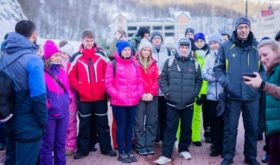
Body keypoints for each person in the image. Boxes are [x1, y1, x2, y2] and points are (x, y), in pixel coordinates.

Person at [214, 17, 265, 165]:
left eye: (246, 27)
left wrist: (260, 82)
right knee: (230, 129)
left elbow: (265, 69)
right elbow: (218, 68)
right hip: (233, 95)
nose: (243, 30)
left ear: (249, 29)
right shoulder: (226, 46)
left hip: (253, 96)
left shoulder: (258, 46)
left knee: (252, 129)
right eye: (240, 27)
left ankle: (250, 156)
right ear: (236, 28)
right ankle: (228, 156)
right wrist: (227, 82)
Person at [0, 20, 47, 165]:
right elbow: (38, 96)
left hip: (8, 117)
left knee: (11, 159)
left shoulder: (3, 55)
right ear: (33, 35)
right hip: (28, 122)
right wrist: (42, 122)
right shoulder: (33, 59)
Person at [154, 37, 202, 165]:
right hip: (172, 103)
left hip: (188, 103)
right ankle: (166, 154)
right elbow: (162, 78)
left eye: (186, 47)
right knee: (170, 129)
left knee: (186, 127)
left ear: (189, 49)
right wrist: (168, 92)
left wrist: (194, 93)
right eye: (182, 47)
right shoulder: (169, 62)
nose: (184, 49)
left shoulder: (194, 63)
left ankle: (184, 149)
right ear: (178, 47)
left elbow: (199, 81)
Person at [68, 30, 116, 159]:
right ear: (82, 40)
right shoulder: (76, 57)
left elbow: (109, 72)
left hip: (100, 97)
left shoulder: (101, 55)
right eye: (87, 41)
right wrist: (79, 88)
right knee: (84, 123)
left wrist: (104, 86)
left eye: (91, 41)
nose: (89, 43)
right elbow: (71, 75)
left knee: (102, 123)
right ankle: (83, 149)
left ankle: (106, 148)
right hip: (84, 98)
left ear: (94, 41)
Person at [105, 40, 144, 163]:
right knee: (121, 127)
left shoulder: (135, 64)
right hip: (118, 103)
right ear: (120, 51)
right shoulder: (113, 64)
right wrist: (117, 95)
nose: (127, 52)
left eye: (129, 50)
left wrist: (138, 94)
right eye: (125, 50)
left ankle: (128, 151)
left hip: (133, 101)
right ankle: (121, 151)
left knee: (130, 127)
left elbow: (140, 81)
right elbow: (108, 84)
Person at [243, 39, 280, 165]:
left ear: (277, 51)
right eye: (260, 56)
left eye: (265, 55)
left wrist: (263, 85)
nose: (262, 59)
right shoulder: (272, 70)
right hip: (273, 129)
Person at [39, 40, 71, 165]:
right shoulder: (42, 72)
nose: (59, 57)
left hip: (64, 112)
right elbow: (41, 93)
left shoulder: (62, 72)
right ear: (48, 57)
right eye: (56, 55)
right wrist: (49, 104)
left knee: (61, 144)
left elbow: (67, 90)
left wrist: (68, 99)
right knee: (47, 144)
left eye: (60, 55)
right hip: (50, 114)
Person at [134, 39, 159, 156]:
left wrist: (151, 93)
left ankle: (149, 145)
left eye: (149, 50)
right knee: (139, 123)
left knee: (151, 122)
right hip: (139, 97)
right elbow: (134, 81)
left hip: (152, 97)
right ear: (140, 50)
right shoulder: (134, 63)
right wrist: (142, 94)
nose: (146, 52)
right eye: (144, 49)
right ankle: (140, 146)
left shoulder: (154, 63)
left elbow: (156, 80)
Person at [202, 33, 224, 157]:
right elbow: (204, 73)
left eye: (216, 43)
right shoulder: (208, 57)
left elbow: (226, 73)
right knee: (214, 122)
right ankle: (216, 146)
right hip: (211, 95)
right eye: (211, 43)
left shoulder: (225, 55)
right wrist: (213, 78)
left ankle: (224, 146)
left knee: (224, 123)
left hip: (223, 96)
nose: (213, 45)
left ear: (220, 43)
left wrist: (219, 77)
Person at [150, 31, 171, 142]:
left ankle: (164, 136)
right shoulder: (148, 51)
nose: (157, 40)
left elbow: (171, 67)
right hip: (153, 90)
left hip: (164, 89)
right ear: (151, 40)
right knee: (153, 116)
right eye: (155, 38)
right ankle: (155, 137)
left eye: (159, 38)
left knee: (164, 114)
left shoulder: (167, 51)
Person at [58, 40, 77, 156]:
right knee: (61, 122)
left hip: (71, 97)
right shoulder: (57, 65)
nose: (62, 55)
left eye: (65, 53)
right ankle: (61, 144)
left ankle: (70, 145)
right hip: (60, 97)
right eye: (61, 53)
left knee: (71, 122)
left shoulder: (71, 65)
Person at [192, 32, 210, 146]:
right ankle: (188, 136)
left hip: (204, 90)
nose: (199, 43)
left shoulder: (209, 55)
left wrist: (202, 93)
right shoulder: (191, 55)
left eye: (201, 41)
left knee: (199, 115)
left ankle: (196, 137)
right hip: (191, 90)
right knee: (190, 115)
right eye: (197, 41)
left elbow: (206, 76)